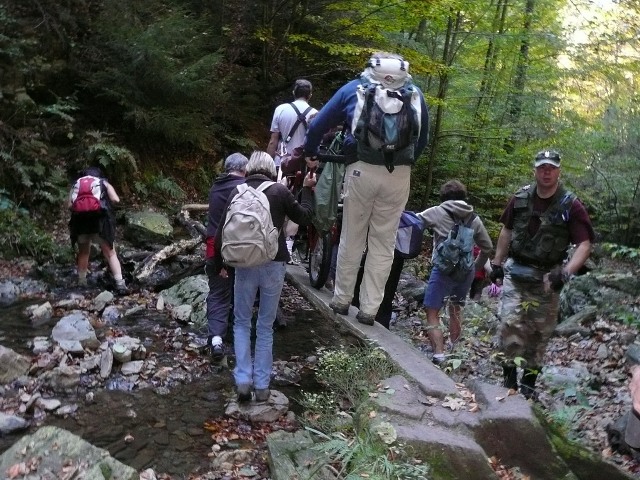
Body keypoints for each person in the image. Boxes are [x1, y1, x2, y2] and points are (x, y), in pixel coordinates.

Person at [303, 52, 430, 326]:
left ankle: (342, 299)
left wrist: (311, 152)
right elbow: (423, 138)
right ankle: (369, 309)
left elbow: (318, 124)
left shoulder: (355, 89)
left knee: (353, 234)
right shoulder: (414, 94)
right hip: (399, 175)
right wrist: (405, 162)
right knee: (383, 242)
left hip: (361, 170)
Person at [491, 149, 595, 399]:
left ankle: (528, 388)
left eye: (551, 167)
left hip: (548, 279)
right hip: (516, 273)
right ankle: (508, 383)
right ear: (535, 170)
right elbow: (506, 230)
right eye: (542, 167)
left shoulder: (570, 204)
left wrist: (566, 273)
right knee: (509, 327)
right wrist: (496, 263)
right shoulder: (520, 198)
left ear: (559, 171)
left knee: (538, 335)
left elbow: (585, 244)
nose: (546, 172)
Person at [214, 151, 316, 403]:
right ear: (272, 169)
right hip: (273, 263)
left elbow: (220, 233)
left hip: (244, 263)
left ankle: (243, 382)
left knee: (240, 322)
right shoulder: (279, 191)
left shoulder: (237, 192)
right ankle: (262, 386)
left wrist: (221, 264)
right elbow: (304, 217)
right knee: (265, 326)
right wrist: (307, 190)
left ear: (249, 169)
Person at [416, 180, 493, 364]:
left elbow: (413, 221)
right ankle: (454, 351)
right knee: (456, 308)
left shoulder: (437, 211)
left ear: (443, 197)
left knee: (432, 310)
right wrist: (475, 267)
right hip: (465, 272)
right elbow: (488, 247)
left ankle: (439, 355)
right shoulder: (474, 218)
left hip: (442, 270)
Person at [266, 79, 317, 263]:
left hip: (281, 163)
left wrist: (268, 162)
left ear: (294, 92)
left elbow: (274, 139)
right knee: (297, 202)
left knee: (277, 200)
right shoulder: (316, 114)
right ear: (310, 94)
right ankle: (288, 245)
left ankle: (271, 240)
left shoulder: (281, 109)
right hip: (303, 166)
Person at [204, 153, 248, 361]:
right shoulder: (245, 187)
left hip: (214, 248)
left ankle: (216, 340)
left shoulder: (216, 186)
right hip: (240, 249)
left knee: (218, 293)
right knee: (243, 292)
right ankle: (241, 341)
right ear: (244, 169)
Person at [68, 166, 127, 293]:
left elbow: (69, 205)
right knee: (110, 254)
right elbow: (115, 199)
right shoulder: (103, 182)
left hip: (81, 224)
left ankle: (82, 282)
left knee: (84, 253)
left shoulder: (76, 185)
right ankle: (120, 283)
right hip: (100, 224)